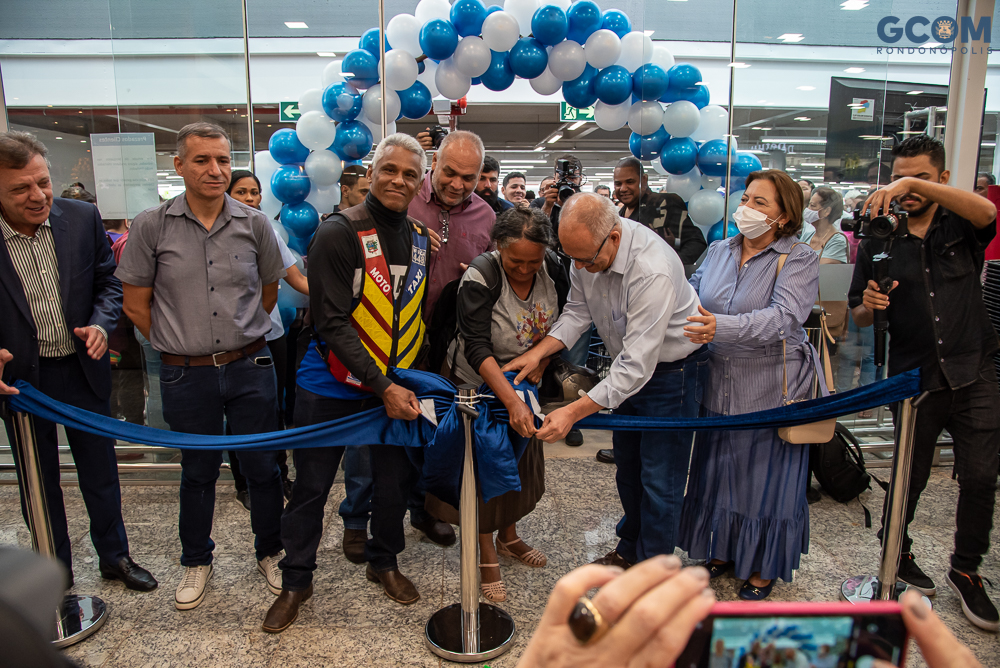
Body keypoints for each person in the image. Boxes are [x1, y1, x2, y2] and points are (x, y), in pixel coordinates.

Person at [263, 134, 437, 633]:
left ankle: (385, 562)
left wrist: (406, 382)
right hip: (332, 386)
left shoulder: (422, 238)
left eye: (409, 173)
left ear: (419, 181)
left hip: (394, 385)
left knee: (392, 485)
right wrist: (382, 385)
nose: (399, 180)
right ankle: (297, 579)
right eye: (389, 170)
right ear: (370, 173)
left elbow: (412, 316)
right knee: (311, 489)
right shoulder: (338, 232)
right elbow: (331, 321)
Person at [117, 122, 287, 610]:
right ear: (179, 166)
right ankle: (196, 559)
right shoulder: (151, 225)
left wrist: (238, 333)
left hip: (249, 364)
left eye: (222, 159)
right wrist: (179, 343)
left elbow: (268, 291)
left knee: (263, 467)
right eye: (202, 161)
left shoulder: (255, 223)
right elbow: (135, 304)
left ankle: (270, 550)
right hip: (184, 371)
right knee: (197, 469)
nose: (215, 170)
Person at [504, 193, 708, 568]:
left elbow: (637, 366)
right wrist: (540, 352)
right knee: (629, 471)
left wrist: (573, 412)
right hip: (626, 369)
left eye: (587, 258)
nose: (581, 266)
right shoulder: (586, 251)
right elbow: (577, 312)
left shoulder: (652, 270)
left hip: (672, 375)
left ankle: (653, 574)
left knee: (660, 481)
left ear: (613, 237)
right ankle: (630, 551)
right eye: (573, 258)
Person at [849, 135, 1000, 631]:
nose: (907, 191)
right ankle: (899, 555)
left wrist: (916, 184)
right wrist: (867, 308)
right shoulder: (878, 238)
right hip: (912, 377)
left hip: (973, 368)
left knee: (980, 476)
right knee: (908, 477)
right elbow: (858, 314)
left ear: (942, 179)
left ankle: (966, 569)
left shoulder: (961, 226)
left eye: (919, 180)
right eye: (900, 180)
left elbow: (985, 211)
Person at [0, 130, 157, 593]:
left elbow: (108, 284)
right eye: (20, 189)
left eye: (43, 182)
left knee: (100, 472)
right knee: (38, 479)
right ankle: (55, 570)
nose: (38, 196)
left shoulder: (81, 216)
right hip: (22, 382)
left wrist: (100, 323)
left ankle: (115, 558)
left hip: (81, 369)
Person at [678, 169, 819, 601]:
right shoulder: (720, 249)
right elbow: (692, 295)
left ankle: (762, 564)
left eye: (762, 203)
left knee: (762, 482)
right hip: (716, 381)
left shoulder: (798, 257)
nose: (748, 208)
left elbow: (784, 318)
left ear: (783, 216)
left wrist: (720, 326)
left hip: (769, 390)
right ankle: (721, 548)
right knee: (718, 473)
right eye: (747, 198)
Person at [432, 206, 568, 602]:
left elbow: (563, 325)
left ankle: (510, 536)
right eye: (515, 261)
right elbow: (475, 345)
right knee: (484, 470)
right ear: (498, 248)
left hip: (525, 383)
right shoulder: (481, 275)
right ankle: (485, 550)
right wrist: (510, 401)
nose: (525, 270)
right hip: (476, 383)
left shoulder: (555, 269)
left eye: (533, 261)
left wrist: (542, 359)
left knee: (518, 467)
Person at [224, 170, 306, 508]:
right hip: (233, 340)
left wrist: (344, 298)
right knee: (240, 414)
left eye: (254, 192)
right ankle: (243, 481)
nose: (249, 199)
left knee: (274, 409)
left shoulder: (268, 230)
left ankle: (279, 475)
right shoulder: (220, 236)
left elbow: (296, 279)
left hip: (271, 335)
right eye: (241, 192)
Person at [407, 129, 495, 318]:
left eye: (468, 178)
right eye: (450, 173)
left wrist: (481, 274)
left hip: (452, 331)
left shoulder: (487, 217)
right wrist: (404, 239)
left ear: (479, 175)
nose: (456, 185)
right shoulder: (405, 197)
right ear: (435, 160)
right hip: (397, 324)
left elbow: (495, 276)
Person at [613, 157, 708, 266]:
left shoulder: (664, 203)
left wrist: (667, 266)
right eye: (618, 184)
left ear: (644, 180)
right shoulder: (619, 215)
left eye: (630, 182)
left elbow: (696, 243)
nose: (623, 188)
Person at [530, 155, 584, 234]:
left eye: (572, 178)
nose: (567, 182)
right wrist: (547, 207)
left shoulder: (590, 204)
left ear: (580, 179)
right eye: (561, 178)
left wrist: (570, 207)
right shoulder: (538, 203)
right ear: (554, 177)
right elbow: (532, 233)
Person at [801, 187, 848, 263]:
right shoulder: (808, 235)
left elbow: (822, 269)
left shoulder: (837, 241)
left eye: (812, 206)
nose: (807, 209)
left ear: (827, 211)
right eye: (809, 205)